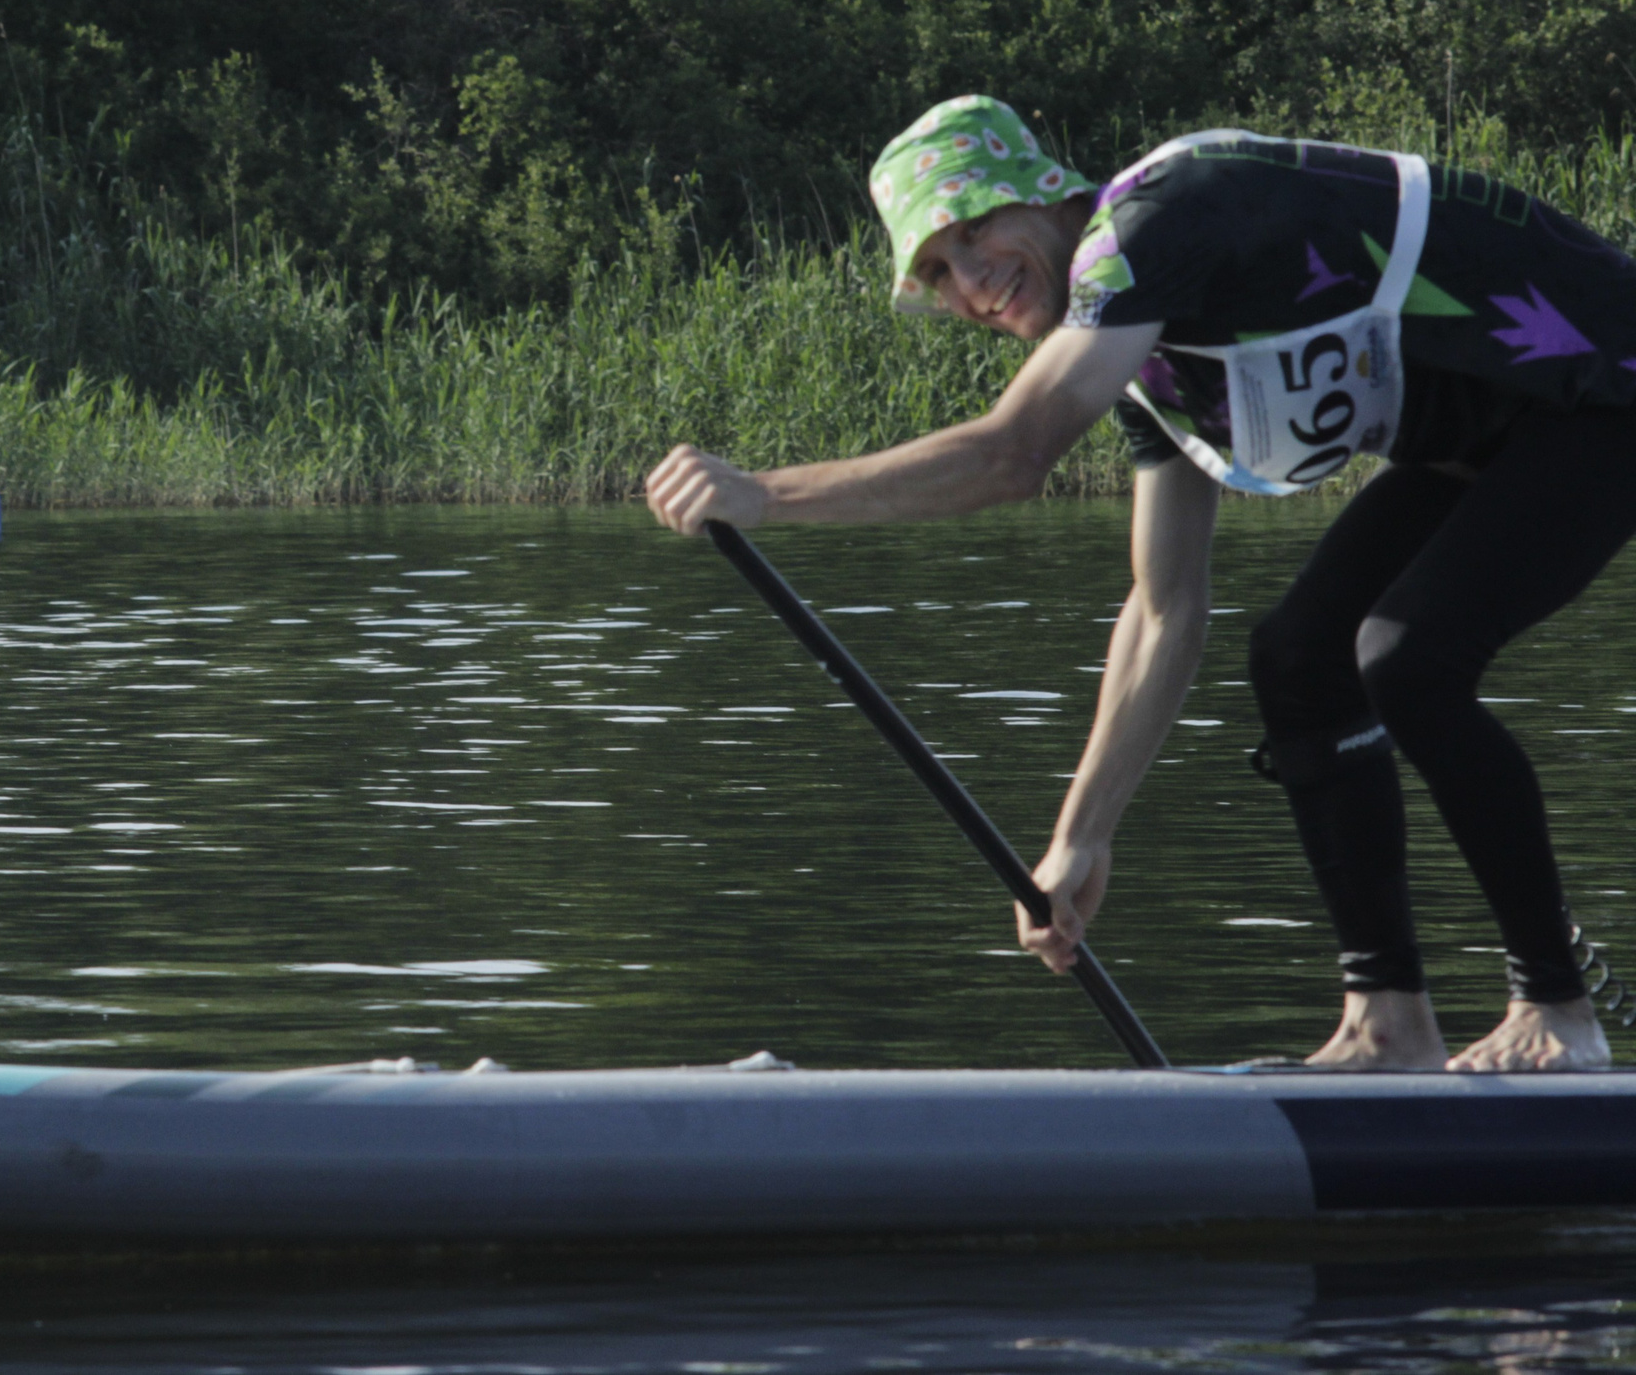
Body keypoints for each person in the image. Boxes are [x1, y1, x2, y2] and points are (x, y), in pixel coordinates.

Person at [646, 95, 1636, 1071]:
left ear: (1044, 196)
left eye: (975, 230)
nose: (970, 281)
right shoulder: (1141, 359)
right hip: (1494, 441)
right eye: (937, 272)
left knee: (1406, 658)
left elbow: (1012, 453)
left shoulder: (1159, 219)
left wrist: (763, 494)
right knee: (1299, 657)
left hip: (1606, 398)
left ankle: (1556, 1010)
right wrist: (1080, 838)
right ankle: (1387, 1023)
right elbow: (1164, 608)